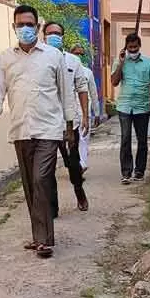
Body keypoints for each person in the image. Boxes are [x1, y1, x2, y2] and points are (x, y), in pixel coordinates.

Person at [0, 5, 76, 258]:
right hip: (20, 129)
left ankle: (45, 240)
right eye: (19, 24)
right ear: (14, 27)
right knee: (29, 185)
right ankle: (39, 236)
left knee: (40, 179)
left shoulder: (53, 56)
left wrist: (69, 126)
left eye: (29, 24)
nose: (24, 29)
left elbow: (65, 93)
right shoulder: (5, 58)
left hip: (48, 129)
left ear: (37, 27)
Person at [44, 22, 90, 215]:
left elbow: (82, 88)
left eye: (57, 33)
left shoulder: (73, 61)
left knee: (72, 162)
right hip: (45, 122)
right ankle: (52, 207)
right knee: (47, 167)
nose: (54, 36)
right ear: (43, 35)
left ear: (63, 36)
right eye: (50, 33)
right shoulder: (37, 61)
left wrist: (85, 116)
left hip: (69, 123)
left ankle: (79, 190)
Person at [110, 32, 150, 184]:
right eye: (130, 48)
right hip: (124, 106)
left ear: (139, 46)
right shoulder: (120, 61)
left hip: (142, 107)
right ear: (126, 47)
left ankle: (139, 171)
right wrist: (120, 63)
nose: (132, 50)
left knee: (142, 140)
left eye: (135, 47)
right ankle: (126, 172)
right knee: (125, 139)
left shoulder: (149, 62)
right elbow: (114, 82)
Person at [71, 44, 100, 171]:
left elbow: (93, 93)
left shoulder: (87, 73)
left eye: (81, 54)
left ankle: (82, 163)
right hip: (69, 110)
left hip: (84, 110)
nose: (78, 56)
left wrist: (97, 113)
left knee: (83, 138)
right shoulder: (65, 70)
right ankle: (73, 163)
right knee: (71, 140)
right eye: (76, 53)